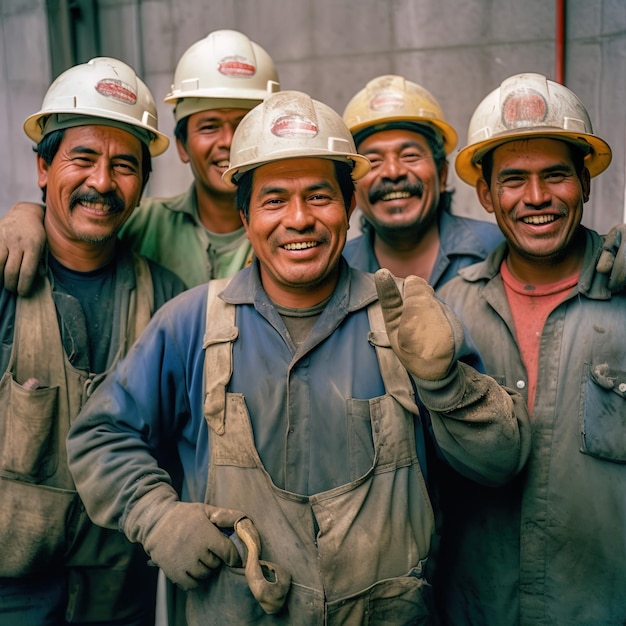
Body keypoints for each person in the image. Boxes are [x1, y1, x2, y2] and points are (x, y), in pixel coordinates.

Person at [65, 89, 531, 625]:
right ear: (245, 215)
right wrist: (156, 514)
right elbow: (100, 435)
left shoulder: (408, 320)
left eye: (319, 196)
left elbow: (501, 464)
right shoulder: (192, 323)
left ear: (349, 207)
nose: (299, 219)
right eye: (273, 200)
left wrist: (447, 383)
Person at [435, 72, 626, 624]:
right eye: (514, 179)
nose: (537, 197)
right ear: (486, 193)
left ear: (586, 183)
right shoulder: (453, 310)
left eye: (556, 176)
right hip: (478, 608)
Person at [0, 57, 185, 625]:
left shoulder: (167, 300)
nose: (102, 182)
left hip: (120, 595)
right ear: (42, 167)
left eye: (124, 166)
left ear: (142, 187)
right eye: (82, 158)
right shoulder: (5, 279)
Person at [0, 29, 280, 293]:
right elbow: (75, 221)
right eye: (209, 126)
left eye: (245, 125)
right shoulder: (143, 223)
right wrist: (25, 215)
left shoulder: (294, 226)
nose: (229, 141)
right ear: (181, 146)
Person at [341, 74, 504, 288]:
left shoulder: (499, 250)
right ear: (353, 186)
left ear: (442, 174)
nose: (392, 172)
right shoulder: (337, 269)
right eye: (373, 161)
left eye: (410, 155)